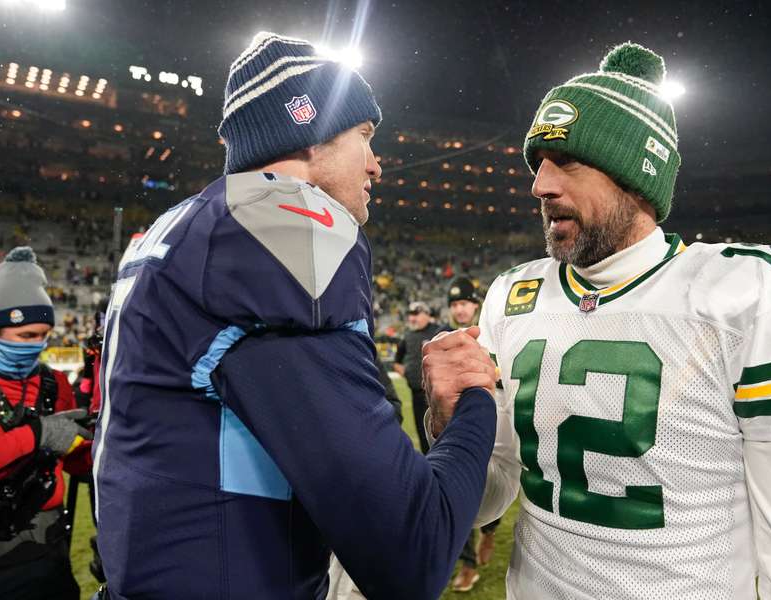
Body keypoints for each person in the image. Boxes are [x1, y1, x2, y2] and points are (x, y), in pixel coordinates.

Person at [439, 43, 771, 599]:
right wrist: (452, 427)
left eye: (569, 162)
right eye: (539, 165)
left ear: (636, 175)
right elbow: (492, 493)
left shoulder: (752, 293)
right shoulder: (514, 294)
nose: (541, 185)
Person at [93, 32, 497, 600]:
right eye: (365, 135)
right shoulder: (277, 229)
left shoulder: (189, 222)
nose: (377, 165)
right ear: (308, 128)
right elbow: (415, 551)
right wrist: (472, 404)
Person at [0, 246, 93, 600]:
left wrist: (92, 442)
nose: (36, 346)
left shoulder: (54, 383)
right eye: (26, 336)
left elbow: (76, 460)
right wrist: (39, 434)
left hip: (46, 548)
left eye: (43, 335)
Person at [446, 277, 501, 592]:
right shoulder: (444, 335)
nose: (459, 308)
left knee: (496, 480)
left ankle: (490, 532)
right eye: (454, 304)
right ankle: (467, 564)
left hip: (493, 422)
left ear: (476, 305)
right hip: (455, 426)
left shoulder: (493, 333)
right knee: (458, 489)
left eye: (464, 302)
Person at [393, 301, 449, 453]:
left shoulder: (438, 330)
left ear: (427, 314)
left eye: (416, 315)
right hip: (416, 394)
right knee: (422, 433)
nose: (412, 319)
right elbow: (397, 361)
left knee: (442, 434)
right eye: (411, 315)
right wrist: (407, 374)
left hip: (438, 393)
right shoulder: (407, 336)